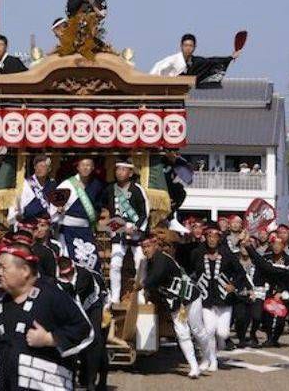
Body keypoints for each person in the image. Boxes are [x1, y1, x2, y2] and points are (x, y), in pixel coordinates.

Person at [0, 243, 93, 391]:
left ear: (24, 270)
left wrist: (50, 339)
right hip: (6, 382)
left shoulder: (51, 295)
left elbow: (84, 330)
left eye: (4, 268)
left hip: (47, 384)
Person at [138, 236, 214, 378]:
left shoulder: (162, 258)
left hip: (189, 297)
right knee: (182, 333)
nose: (145, 250)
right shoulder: (148, 263)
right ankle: (194, 366)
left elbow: (156, 276)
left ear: (155, 245)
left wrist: (143, 284)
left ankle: (207, 356)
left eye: (147, 246)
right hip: (174, 302)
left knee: (197, 330)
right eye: (143, 247)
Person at [189, 222, 249, 355]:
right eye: (209, 235)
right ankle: (211, 360)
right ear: (205, 237)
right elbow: (189, 270)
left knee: (223, 333)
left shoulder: (227, 254)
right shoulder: (197, 253)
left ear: (219, 238)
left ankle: (220, 344)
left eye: (215, 236)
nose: (212, 239)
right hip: (206, 299)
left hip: (224, 300)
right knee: (209, 330)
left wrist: (233, 285)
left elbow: (241, 273)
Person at [100, 160, 149, 303]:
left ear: (130, 173)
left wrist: (136, 227)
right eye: (117, 169)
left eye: (123, 169)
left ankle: (141, 295)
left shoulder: (137, 189)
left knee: (140, 262)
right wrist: (114, 226)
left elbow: (144, 212)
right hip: (118, 230)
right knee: (115, 263)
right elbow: (104, 208)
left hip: (136, 232)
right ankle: (114, 297)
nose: (119, 172)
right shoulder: (110, 189)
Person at [57, 256, 107, 391]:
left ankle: (94, 381)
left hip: (92, 305)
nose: (67, 276)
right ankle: (72, 378)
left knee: (95, 340)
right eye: (63, 275)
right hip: (72, 309)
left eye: (69, 274)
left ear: (73, 268)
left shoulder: (84, 276)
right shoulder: (56, 278)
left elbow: (74, 297)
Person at [51, 157, 105, 270]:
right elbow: (54, 204)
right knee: (69, 260)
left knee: (91, 260)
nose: (86, 168)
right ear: (78, 167)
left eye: (89, 165)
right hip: (67, 231)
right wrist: (58, 209)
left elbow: (98, 206)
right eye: (83, 165)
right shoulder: (67, 184)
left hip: (86, 230)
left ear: (93, 168)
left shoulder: (96, 185)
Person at [149, 33, 242, 87]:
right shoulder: (172, 60)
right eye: (186, 45)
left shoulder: (196, 62)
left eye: (190, 46)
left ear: (194, 47)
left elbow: (211, 61)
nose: (188, 48)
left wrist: (230, 57)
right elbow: (157, 68)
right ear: (181, 46)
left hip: (179, 94)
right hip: (162, 90)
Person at [17, 154, 57, 222]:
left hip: (46, 223)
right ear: (34, 167)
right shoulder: (25, 184)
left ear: (49, 169)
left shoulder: (52, 184)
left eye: (43, 166)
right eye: (37, 166)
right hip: (30, 222)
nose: (39, 169)